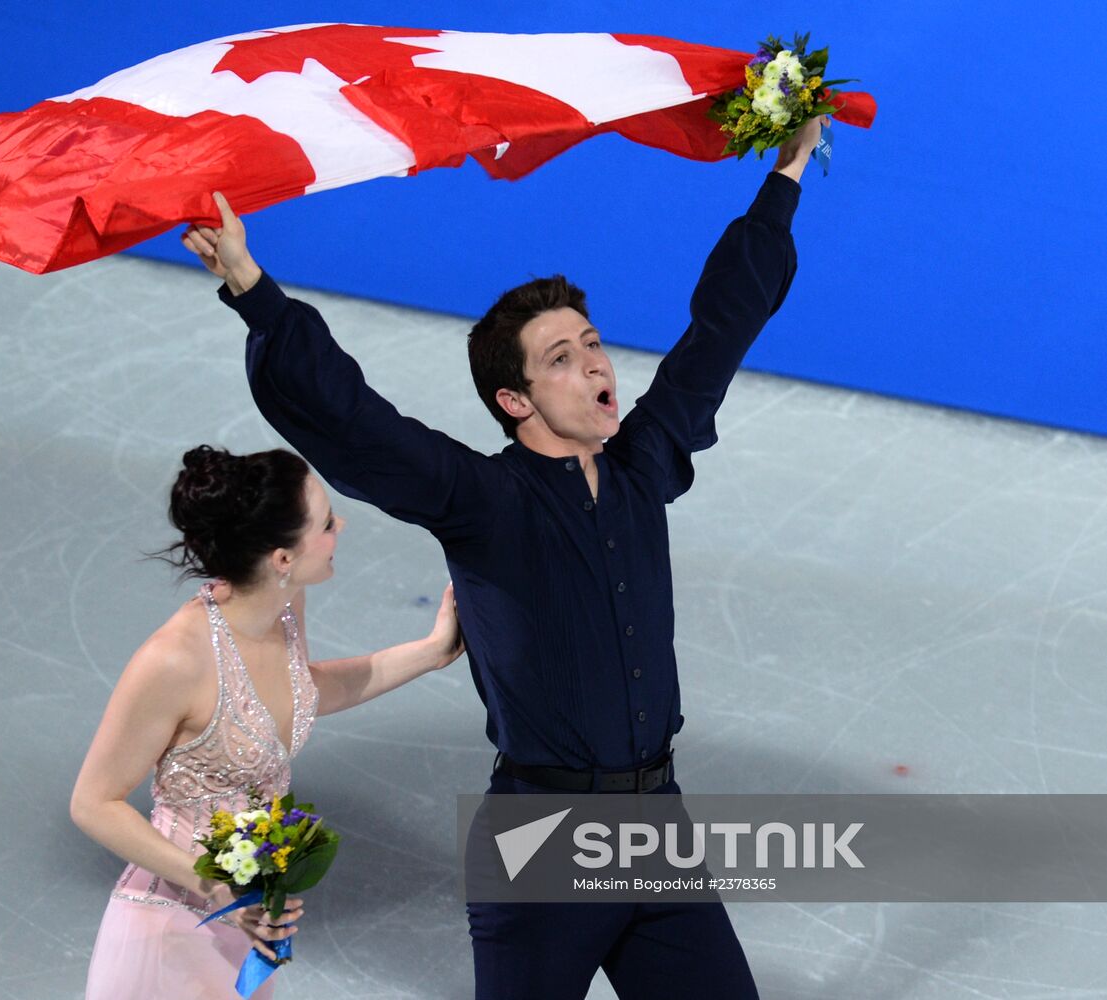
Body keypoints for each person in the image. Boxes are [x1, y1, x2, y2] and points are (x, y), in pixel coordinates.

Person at [183, 117, 823, 999]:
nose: (593, 362)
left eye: (592, 342)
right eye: (561, 357)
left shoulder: (643, 466)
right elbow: (353, 420)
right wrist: (255, 292)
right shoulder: (482, 501)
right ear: (514, 399)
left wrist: (785, 176)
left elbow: (719, 331)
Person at [71, 445, 464, 999]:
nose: (341, 526)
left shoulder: (284, 609)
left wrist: (432, 651)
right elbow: (93, 803)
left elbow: (300, 693)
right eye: (326, 523)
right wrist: (215, 888)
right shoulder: (173, 661)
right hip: (169, 935)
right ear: (283, 558)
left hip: (246, 929)